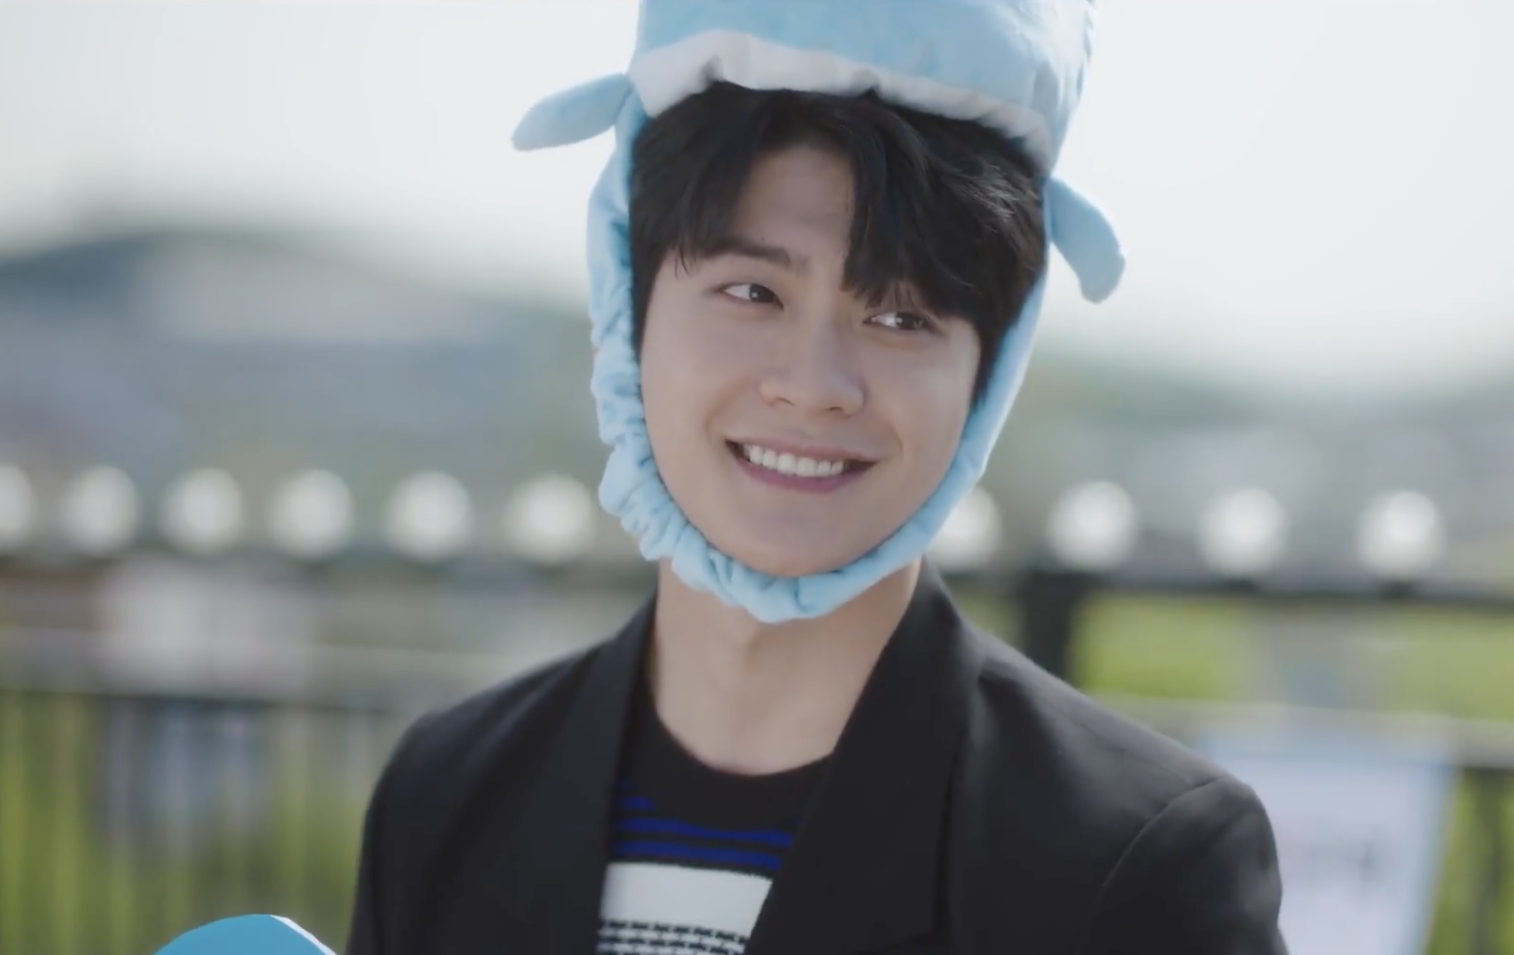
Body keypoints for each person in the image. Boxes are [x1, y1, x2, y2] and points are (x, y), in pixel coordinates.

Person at [348, 3, 1287, 953]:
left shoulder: (1137, 861)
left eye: (903, 316)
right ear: (626, 314)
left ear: (988, 374)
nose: (814, 385)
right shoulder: (447, 795)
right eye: (753, 292)